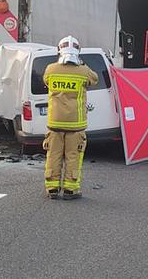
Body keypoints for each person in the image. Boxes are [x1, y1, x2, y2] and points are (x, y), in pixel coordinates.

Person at [42, 36, 98, 200]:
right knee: (73, 156)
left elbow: (45, 81)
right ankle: (70, 189)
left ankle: (52, 188)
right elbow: (94, 79)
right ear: (78, 52)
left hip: (54, 123)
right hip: (75, 124)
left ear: (59, 50)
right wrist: (81, 64)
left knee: (53, 155)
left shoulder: (50, 69)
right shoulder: (83, 71)